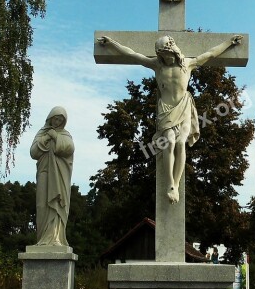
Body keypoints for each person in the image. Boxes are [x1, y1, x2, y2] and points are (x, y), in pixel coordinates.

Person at [97, 34, 242, 203]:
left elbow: (210, 54)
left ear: (173, 51)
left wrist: (229, 43)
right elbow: (132, 54)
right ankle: (170, 183)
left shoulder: (188, 64)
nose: (166, 59)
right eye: (163, 56)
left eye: (168, 55)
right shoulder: (157, 66)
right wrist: (112, 43)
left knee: (181, 143)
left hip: (184, 108)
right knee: (169, 142)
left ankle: (176, 184)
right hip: (165, 110)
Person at [30, 106, 74, 246]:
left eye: (60, 120)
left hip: (59, 178)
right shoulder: (42, 133)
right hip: (44, 172)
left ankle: (55, 237)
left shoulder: (65, 135)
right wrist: (47, 137)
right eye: (56, 118)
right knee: (42, 205)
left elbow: (69, 148)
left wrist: (55, 137)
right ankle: (43, 237)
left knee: (56, 204)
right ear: (50, 118)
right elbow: (33, 152)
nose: (57, 121)